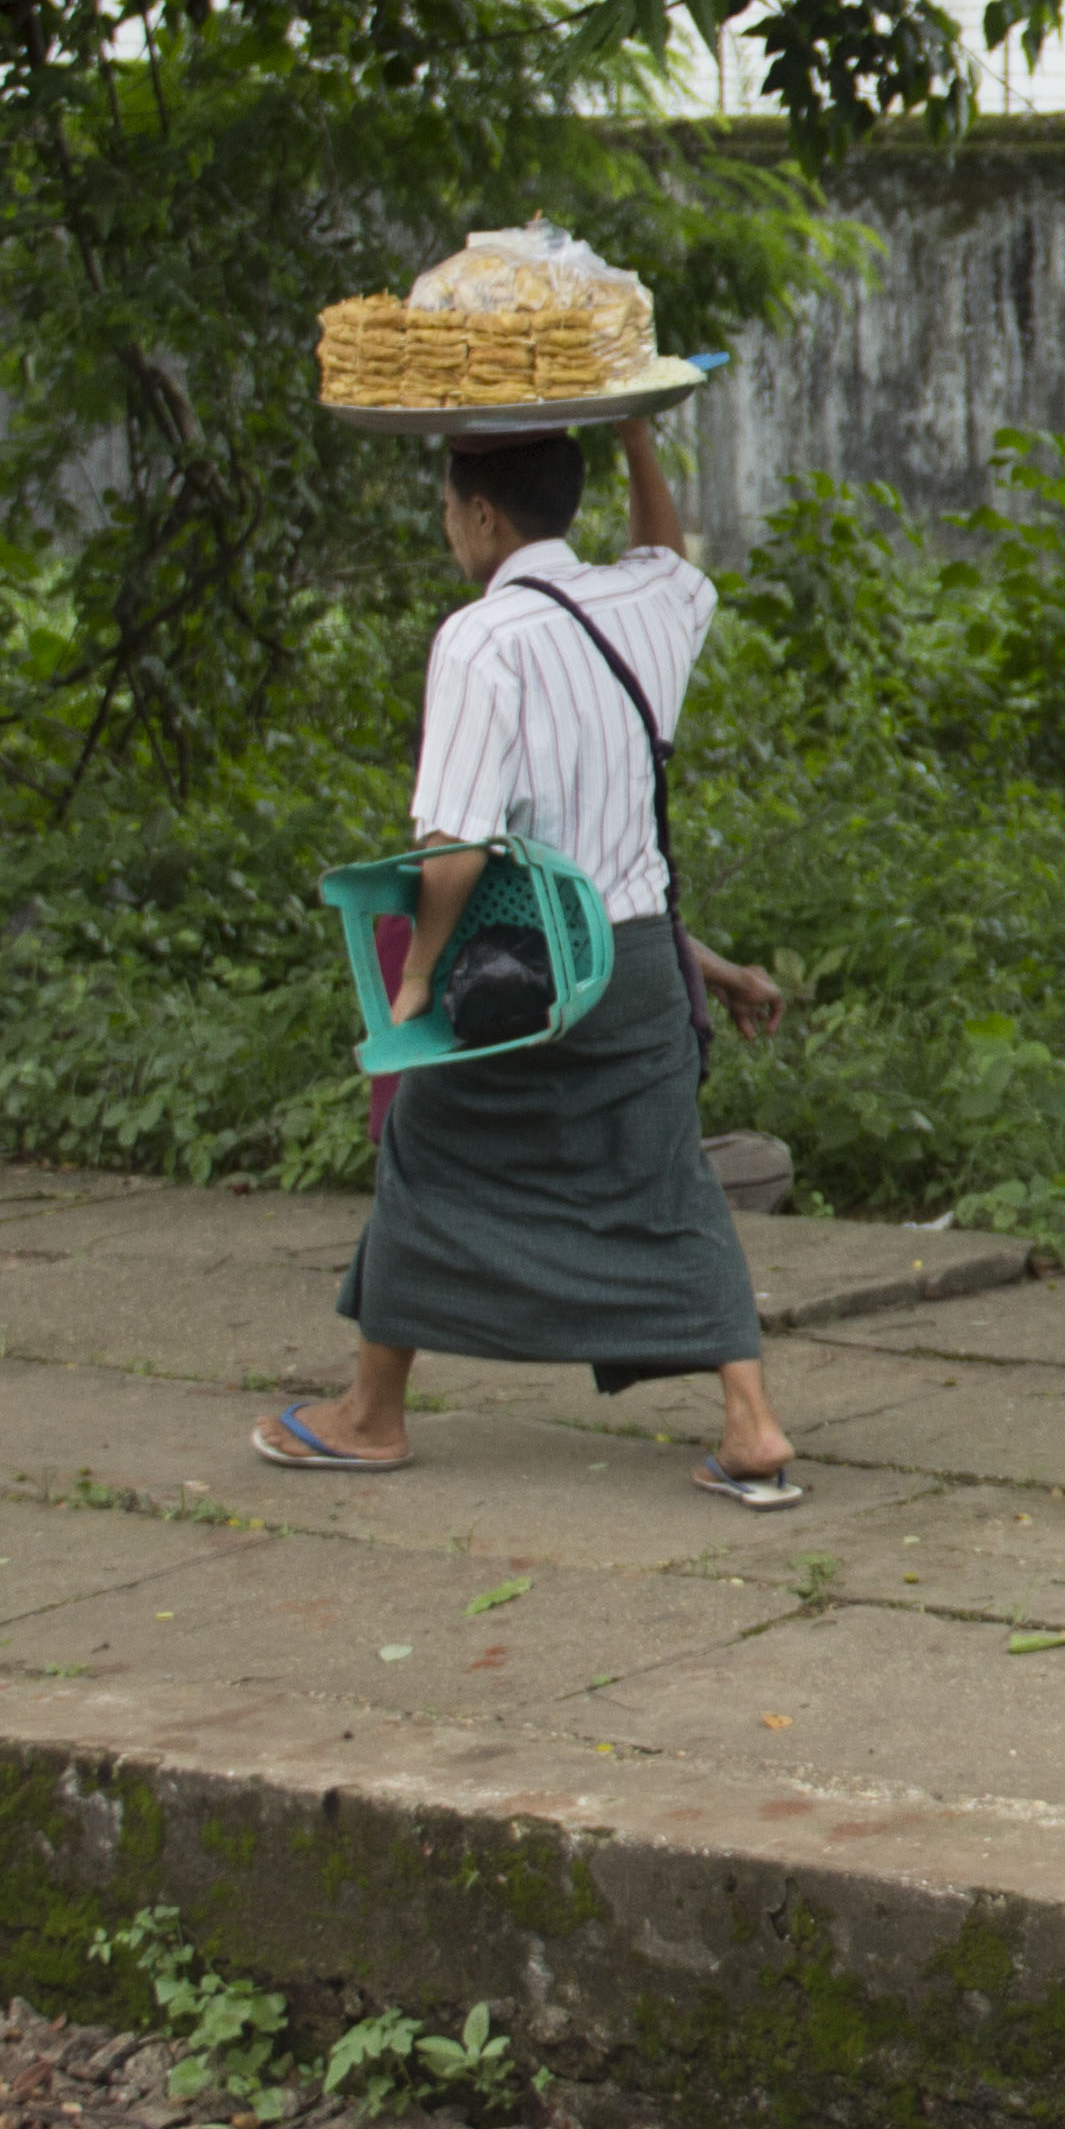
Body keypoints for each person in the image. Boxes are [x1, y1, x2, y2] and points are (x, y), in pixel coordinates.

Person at [259, 414, 808, 1509]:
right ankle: (751, 1426)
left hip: (527, 970)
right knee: (668, 1183)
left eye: (448, 514)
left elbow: (453, 845)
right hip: (646, 963)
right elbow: (667, 556)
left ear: (478, 513)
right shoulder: (645, 604)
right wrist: (640, 437)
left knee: (427, 1153)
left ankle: (371, 1417)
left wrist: (416, 980)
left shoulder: (484, 636)